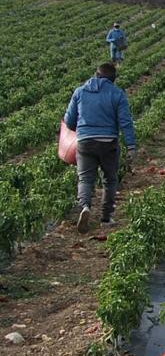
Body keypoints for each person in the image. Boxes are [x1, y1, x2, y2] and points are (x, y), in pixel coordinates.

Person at [64, 62, 137, 233]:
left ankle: (85, 206)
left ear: (96, 75)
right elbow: (125, 122)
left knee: (85, 179)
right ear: (113, 79)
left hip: (85, 142)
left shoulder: (80, 92)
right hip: (108, 142)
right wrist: (131, 145)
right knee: (110, 179)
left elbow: (69, 121)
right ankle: (106, 217)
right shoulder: (117, 94)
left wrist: (83, 129)